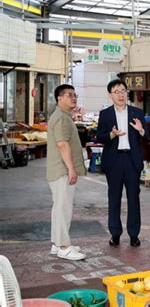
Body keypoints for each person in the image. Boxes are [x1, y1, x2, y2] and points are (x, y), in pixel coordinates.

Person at [96, 79, 146, 247]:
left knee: (134, 198)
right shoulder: (105, 114)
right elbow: (99, 137)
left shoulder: (137, 113)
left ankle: (134, 235)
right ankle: (115, 233)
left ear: (127, 93)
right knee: (114, 198)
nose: (121, 94)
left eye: (123, 90)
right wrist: (112, 135)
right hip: (114, 160)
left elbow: (145, 137)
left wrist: (141, 130)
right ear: (111, 95)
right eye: (116, 91)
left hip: (132, 160)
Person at [47, 84, 86, 260]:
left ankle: (57, 244)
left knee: (59, 208)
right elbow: (63, 144)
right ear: (59, 98)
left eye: (74, 95)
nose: (74, 98)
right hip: (62, 170)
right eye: (69, 95)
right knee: (63, 208)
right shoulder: (61, 118)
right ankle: (64, 246)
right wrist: (71, 169)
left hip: (58, 169)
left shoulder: (62, 116)